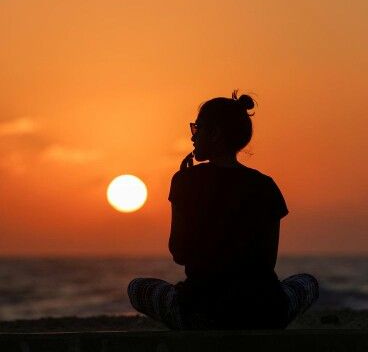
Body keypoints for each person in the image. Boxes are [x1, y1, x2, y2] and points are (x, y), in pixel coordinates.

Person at [127, 90, 319, 330]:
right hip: (263, 312)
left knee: (136, 288)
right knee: (307, 282)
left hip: (202, 310)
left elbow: (179, 252)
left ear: (215, 134)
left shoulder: (185, 181)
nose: (193, 138)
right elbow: (267, 262)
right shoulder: (265, 185)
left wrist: (184, 190)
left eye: (197, 129)